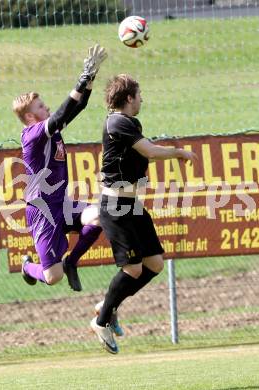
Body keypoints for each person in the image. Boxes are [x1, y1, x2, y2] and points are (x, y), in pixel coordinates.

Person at [90, 74, 198, 354]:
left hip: (132, 205)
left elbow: (143, 152)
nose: (142, 99)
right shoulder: (117, 121)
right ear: (128, 98)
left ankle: (108, 305)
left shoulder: (129, 123)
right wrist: (178, 153)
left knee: (154, 264)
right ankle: (101, 321)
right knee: (133, 268)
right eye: (139, 94)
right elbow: (149, 150)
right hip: (115, 206)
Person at [12, 44, 107, 291]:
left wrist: (90, 77)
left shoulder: (50, 131)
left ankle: (71, 262)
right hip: (42, 210)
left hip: (61, 204)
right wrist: (81, 80)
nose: (47, 108)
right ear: (31, 117)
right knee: (53, 277)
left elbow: (77, 107)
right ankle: (27, 268)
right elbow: (59, 115)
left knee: (99, 216)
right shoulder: (32, 135)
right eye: (40, 107)